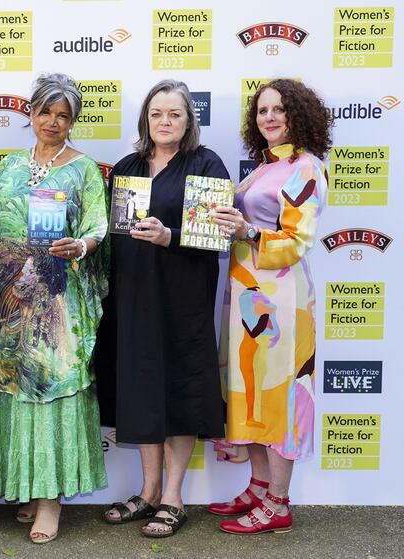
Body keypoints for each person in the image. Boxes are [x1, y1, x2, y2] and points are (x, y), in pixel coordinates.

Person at [0, 73, 109, 544]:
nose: (52, 122)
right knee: (16, 389)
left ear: (73, 120)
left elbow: (99, 225)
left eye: (63, 115)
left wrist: (83, 245)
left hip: (57, 299)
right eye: (45, 112)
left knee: (52, 388)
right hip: (11, 299)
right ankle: (28, 490)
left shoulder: (84, 169)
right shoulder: (9, 165)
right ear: (30, 114)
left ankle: (51, 502)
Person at [101, 79, 228, 537]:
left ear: (188, 119)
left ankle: (173, 497)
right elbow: (113, 232)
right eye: (157, 114)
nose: (165, 122)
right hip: (133, 296)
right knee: (141, 389)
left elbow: (214, 237)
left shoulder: (206, 164)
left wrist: (169, 235)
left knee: (178, 389)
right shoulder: (128, 166)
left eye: (175, 114)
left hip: (183, 299)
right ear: (146, 119)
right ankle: (148, 489)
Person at [209, 79, 331, 535]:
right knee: (251, 389)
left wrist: (247, 232)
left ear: (299, 115)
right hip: (246, 294)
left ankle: (279, 501)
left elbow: (297, 240)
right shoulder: (264, 167)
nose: (270, 118)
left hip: (281, 300)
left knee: (277, 393)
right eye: (262, 111)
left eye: (279, 109)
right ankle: (259, 486)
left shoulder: (307, 168)